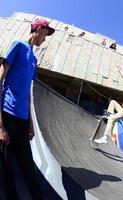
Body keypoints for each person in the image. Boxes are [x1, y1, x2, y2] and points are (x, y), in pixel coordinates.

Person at [0, 18, 55, 200]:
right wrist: (0, 126)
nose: (45, 39)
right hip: (7, 114)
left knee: (27, 166)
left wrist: (31, 124)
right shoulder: (18, 45)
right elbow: (0, 80)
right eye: (45, 34)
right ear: (38, 29)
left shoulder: (34, 59)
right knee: (7, 166)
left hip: (23, 119)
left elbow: (29, 95)